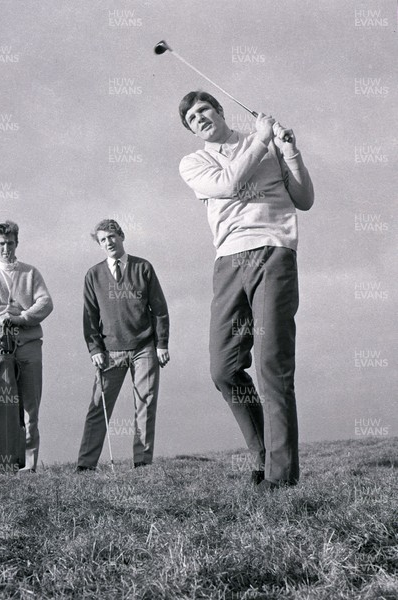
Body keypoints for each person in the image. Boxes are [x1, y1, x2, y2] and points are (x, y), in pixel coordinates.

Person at [178, 91, 314, 490]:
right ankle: (261, 454)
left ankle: (280, 477)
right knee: (224, 369)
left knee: (272, 365)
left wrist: (289, 151)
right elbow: (229, 182)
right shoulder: (195, 161)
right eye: (191, 118)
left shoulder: (265, 145)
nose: (198, 118)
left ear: (220, 112)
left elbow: (304, 199)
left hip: (273, 251)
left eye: (204, 110)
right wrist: (261, 139)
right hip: (229, 261)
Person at [76, 219, 170, 471]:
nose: (109, 242)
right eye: (103, 240)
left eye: (112, 237)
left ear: (122, 236)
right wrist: (95, 349)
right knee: (99, 407)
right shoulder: (93, 275)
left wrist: (162, 343)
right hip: (110, 352)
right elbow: (90, 316)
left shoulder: (143, 268)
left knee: (145, 404)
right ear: (99, 244)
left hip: (144, 348)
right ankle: (85, 465)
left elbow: (159, 308)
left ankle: (142, 462)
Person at [0, 220, 53, 473]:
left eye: (10, 243)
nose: (6, 248)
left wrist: (21, 318)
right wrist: (8, 310)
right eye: (1, 244)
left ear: (17, 243)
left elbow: (45, 303)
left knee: (30, 406)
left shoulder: (31, 273)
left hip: (28, 346)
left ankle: (28, 463)